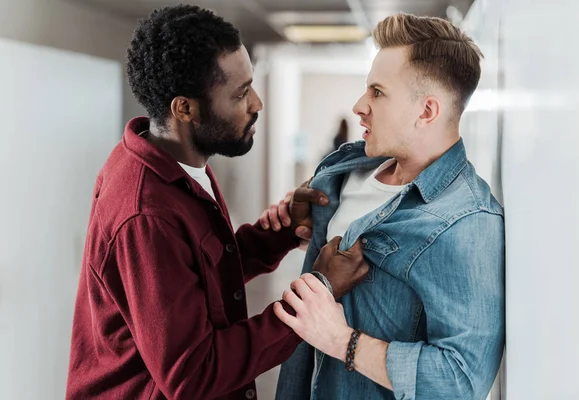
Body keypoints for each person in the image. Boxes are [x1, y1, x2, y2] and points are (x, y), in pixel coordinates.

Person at [65, 5, 369, 400]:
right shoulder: (146, 212)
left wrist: (274, 235)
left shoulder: (179, 164)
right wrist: (317, 293)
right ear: (185, 109)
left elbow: (196, 274)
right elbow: (195, 374)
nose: (257, 103)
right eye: (240, 93)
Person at [271, 13, 505, 400]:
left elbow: (460, 381)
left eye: (377, 92)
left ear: (426, 112)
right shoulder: (344, 168)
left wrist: (340, 340)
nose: (359, 105)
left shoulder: (465, 222)